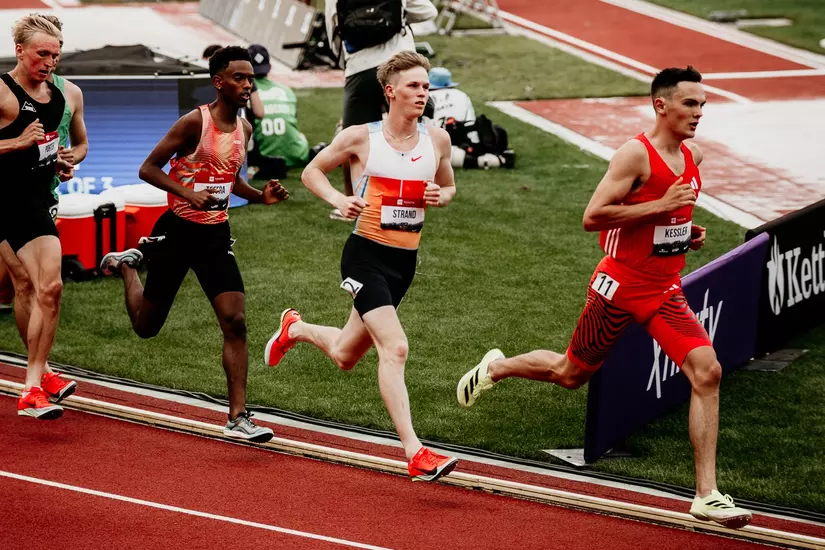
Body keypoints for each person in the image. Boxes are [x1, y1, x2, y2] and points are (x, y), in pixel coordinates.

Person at [456, 66, 752, 529]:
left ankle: (706, 495)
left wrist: (684, 233)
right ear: (661, 105)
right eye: (690, 103)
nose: (699, 113)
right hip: (619, 286)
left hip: (664, 290)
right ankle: (497, 367)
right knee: (570, 374)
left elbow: (664, 219)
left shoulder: (692, 156)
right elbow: (593, 216)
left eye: (702, 104)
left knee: (707, 371)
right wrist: (660, 206)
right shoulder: (635, 154)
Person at [265, 51, 458, 482]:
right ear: (390, 91)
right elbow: (312, 172)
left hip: (404, 262)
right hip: (364, 255)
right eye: (413, 86)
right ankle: (415, 452)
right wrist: (340, 199)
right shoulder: (360, 138)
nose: (422, 94)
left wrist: (439, 196)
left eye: (426, 87)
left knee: (345, 355)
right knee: (396, 347)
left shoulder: (437, 140)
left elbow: (448, 186)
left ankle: (294, 329)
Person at [99, 46, 289, 442]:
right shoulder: (193, 123)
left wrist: (260, 197)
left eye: (251, 78)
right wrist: (187, 192)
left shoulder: (245, 129)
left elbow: (231, 179)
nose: (248, 85)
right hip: (178, 231)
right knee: (146, 327)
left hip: (215, 235)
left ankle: (238, 417)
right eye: (239, 78)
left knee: (235, 322)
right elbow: (148, 169)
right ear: (218, 82)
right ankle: (128, 267)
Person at [0, 14, 88, 411]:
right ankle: (35, 382)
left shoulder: (67, 94)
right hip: (2, 200)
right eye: (42, 54)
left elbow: (78, 145)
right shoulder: (2, 92)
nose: (50, 62)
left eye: (56, 55)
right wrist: (16, 143)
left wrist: (64, 160)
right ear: (20, 51)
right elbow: (21, 144)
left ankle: (36, 379)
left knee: (45, 287)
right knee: (27, 284)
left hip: (35, 199)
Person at [325, 0, 437, 220]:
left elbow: (333, 27)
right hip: (401, 63)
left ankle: (352, 203)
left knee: (352, 140)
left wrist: (346, 60)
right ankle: (410, 197)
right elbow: (428, 11)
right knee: (411, 134)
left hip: (360, 66)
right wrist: (397, 18)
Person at [246, 44, 309, 175]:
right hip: (297, 155)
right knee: (301, 136)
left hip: (262, 156)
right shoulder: (286, 90)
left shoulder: (245, 92)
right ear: (269, 67)